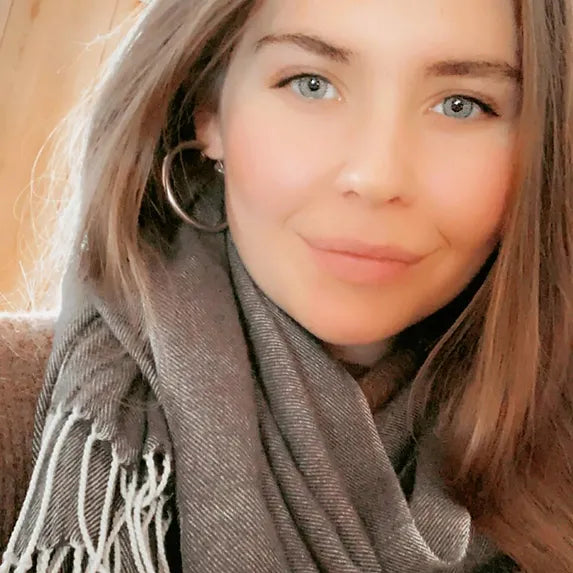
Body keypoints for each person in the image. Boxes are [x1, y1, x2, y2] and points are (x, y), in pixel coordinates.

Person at [2, 0, 572, 571]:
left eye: (461, 105)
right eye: (311, 84)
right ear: (209, 111)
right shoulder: (19, 413)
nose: (376, 177)